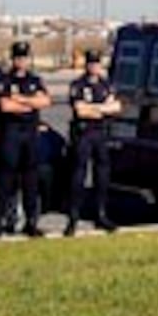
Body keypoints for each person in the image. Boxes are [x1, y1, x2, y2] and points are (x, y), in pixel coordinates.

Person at [0, 41, 50, 238]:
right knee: (5, 179)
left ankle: (31, 223)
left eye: (24, 58)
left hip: (30, 133)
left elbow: (45, 101)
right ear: (13, 59)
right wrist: (31, 103)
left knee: (30, 179)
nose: (21, 61)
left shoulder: (35, 80)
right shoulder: (4, 81)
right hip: (11, 132)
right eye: (18, 58)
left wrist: (21, 100)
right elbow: (5, 106)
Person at [66, 48, 122, 236]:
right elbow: (81, 111)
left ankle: (101, 214)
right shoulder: (78, 85)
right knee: (78, 176)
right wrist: (102, 108)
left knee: (102, 175)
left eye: (97, 63)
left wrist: (96, 109)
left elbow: (116, 107)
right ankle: (73, 217)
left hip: (100, 134)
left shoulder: (107, 84)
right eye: (91, 63)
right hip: (83, 134)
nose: (94, 67)